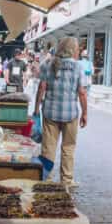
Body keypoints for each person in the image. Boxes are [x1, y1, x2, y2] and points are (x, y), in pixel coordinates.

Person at [35, 37, 87, 186]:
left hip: (50, 112)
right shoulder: (78, 67)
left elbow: (41, 88)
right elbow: (81, 92)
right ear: (72, 50)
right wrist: (85, 113)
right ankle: (67, 180)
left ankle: (46, 178)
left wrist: (36, 108)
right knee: (68, 148)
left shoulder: (47, 64)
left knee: (48, 147)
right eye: (77, 48)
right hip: (70, 113)